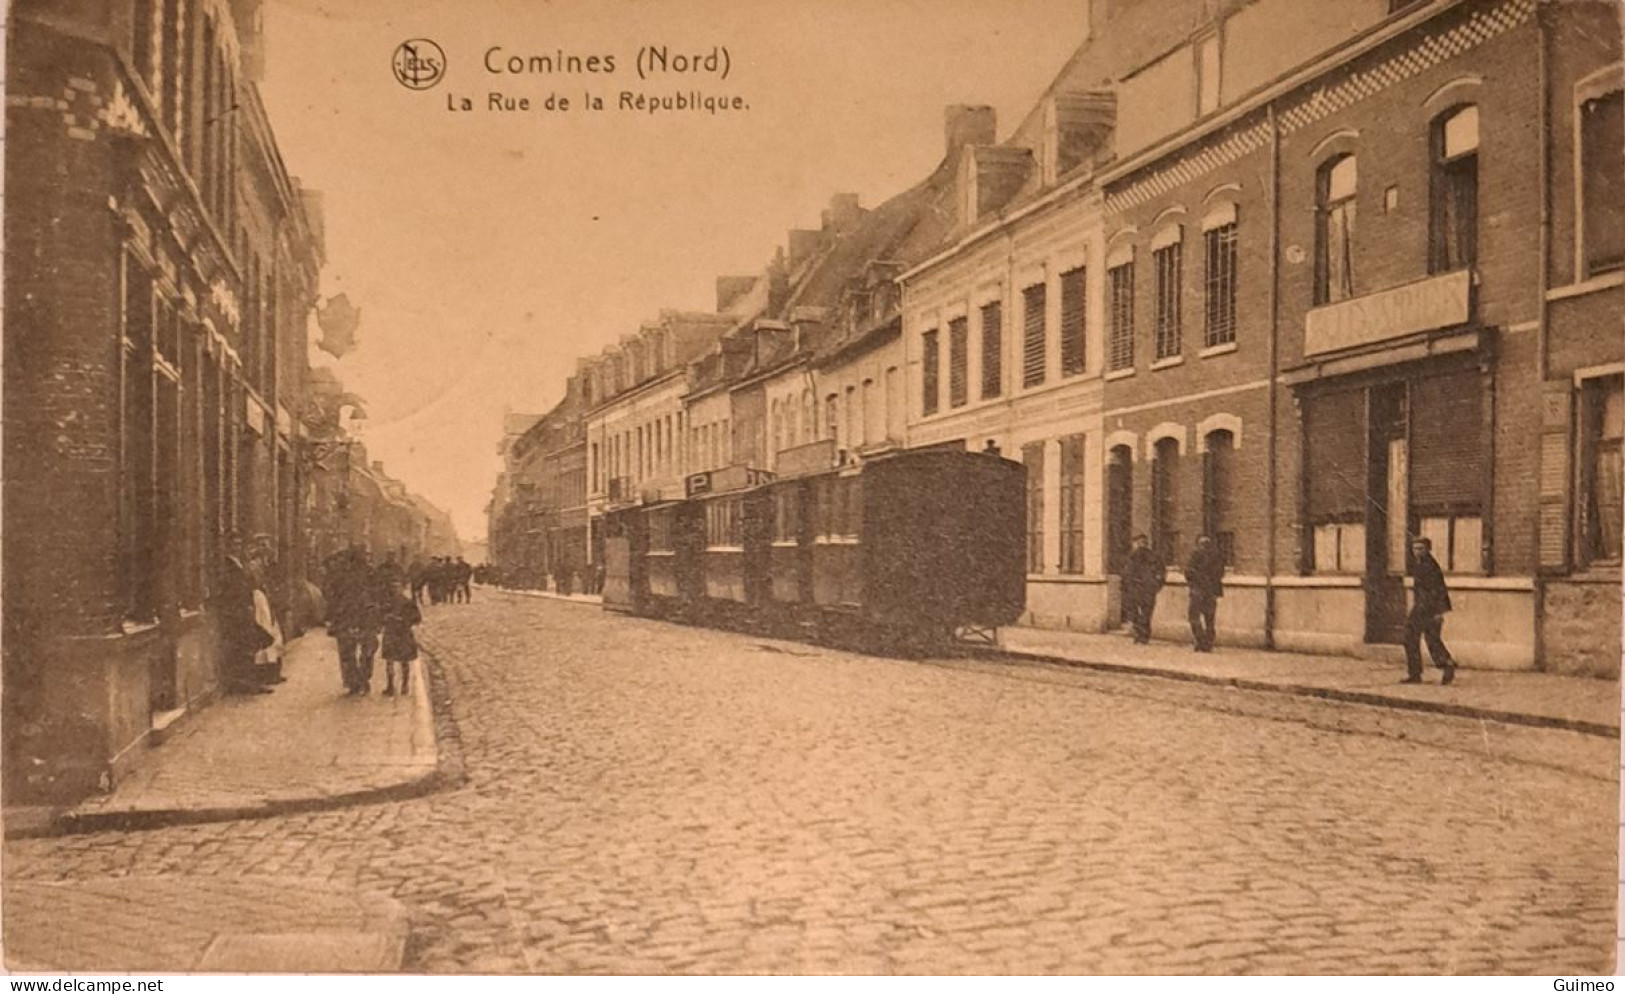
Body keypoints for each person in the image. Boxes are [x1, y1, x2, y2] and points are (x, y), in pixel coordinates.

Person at [326, 545, 383, 695]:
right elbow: (333, 597)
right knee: (359, 651)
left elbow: (378, 595)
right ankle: (359, 681)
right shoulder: (343, 576)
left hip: (358, 617)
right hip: (355, 617)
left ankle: (357, 681)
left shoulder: (368, 574)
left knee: (355, 651)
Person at [217, 546, 274, 694]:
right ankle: (247, 684)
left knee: (250, 646)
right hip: (238, 614)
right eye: (234, 543)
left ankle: (252, 682)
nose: (238, 546)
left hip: (244, 611)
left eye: (238, 543)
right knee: (245, 648)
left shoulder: (240, 565)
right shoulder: (230, 565)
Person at [1403, 536, 1457, 685]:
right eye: (1414, 548)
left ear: (1428, 549)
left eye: (1421, 548)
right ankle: (1446, 664)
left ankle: (1416, 673)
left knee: (1411, 636)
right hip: (1425, 607)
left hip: (1427, 608)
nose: (1417, 552)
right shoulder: (1421, 564)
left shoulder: (1429, 566)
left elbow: (1439, 589)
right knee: (1430, 639)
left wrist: (1438, 612)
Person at [1121, 534, 1165, 644]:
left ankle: (1141, 634)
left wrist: (1125, 587)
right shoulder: (1154, 556)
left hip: (1135, 588)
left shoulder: (1133, 556)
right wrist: (1157, 586)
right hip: (1147, 589)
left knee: (1135, 612)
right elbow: (1161, 573)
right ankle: (1144, 635)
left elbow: (1126, 573)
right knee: (1146, 613)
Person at [1185, 535, 1225, 653]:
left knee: (1194, 617)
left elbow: (1188, 572)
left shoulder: (1195, 554)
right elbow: (1220, 573)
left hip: (1198, 591)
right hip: (1211, 592)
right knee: (1210, 619)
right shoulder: (1217, 556)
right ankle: (1208, 642)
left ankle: (1200, 640)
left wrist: (1193, 583)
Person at [380, 583, 421, 697]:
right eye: (392, 587)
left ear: (401, 589)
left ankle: (405, 685)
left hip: (403, 633)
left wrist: (402, 620)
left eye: (397, 587)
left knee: (404, 661)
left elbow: (416, 618)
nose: (394, 590)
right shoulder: (386, 602)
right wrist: (385, 618)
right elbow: (379, 616)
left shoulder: (407, 603)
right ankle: (390, 685)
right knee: (389, 661)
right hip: (391, 633)